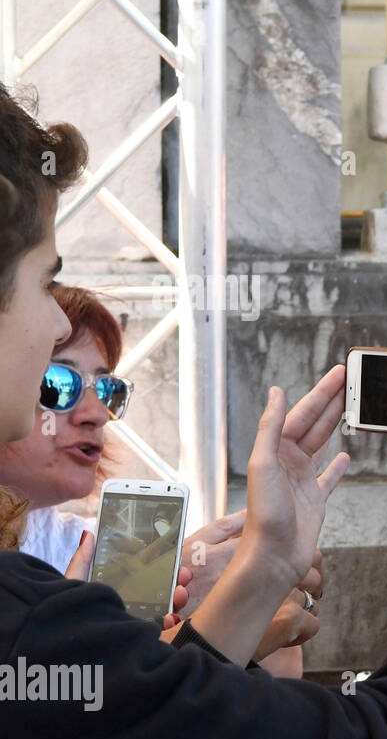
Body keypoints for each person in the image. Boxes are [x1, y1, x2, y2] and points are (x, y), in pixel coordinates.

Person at [0, 84, 387, 739]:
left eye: (107, 387)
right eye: (46, 282)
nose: (52, 326)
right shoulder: (32, 623)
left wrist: (266, 562)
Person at [0, 285, 307, 677]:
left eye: (107, 389)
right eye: (58, 384)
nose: (95, 413)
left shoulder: (97, 551)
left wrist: (248, 601)